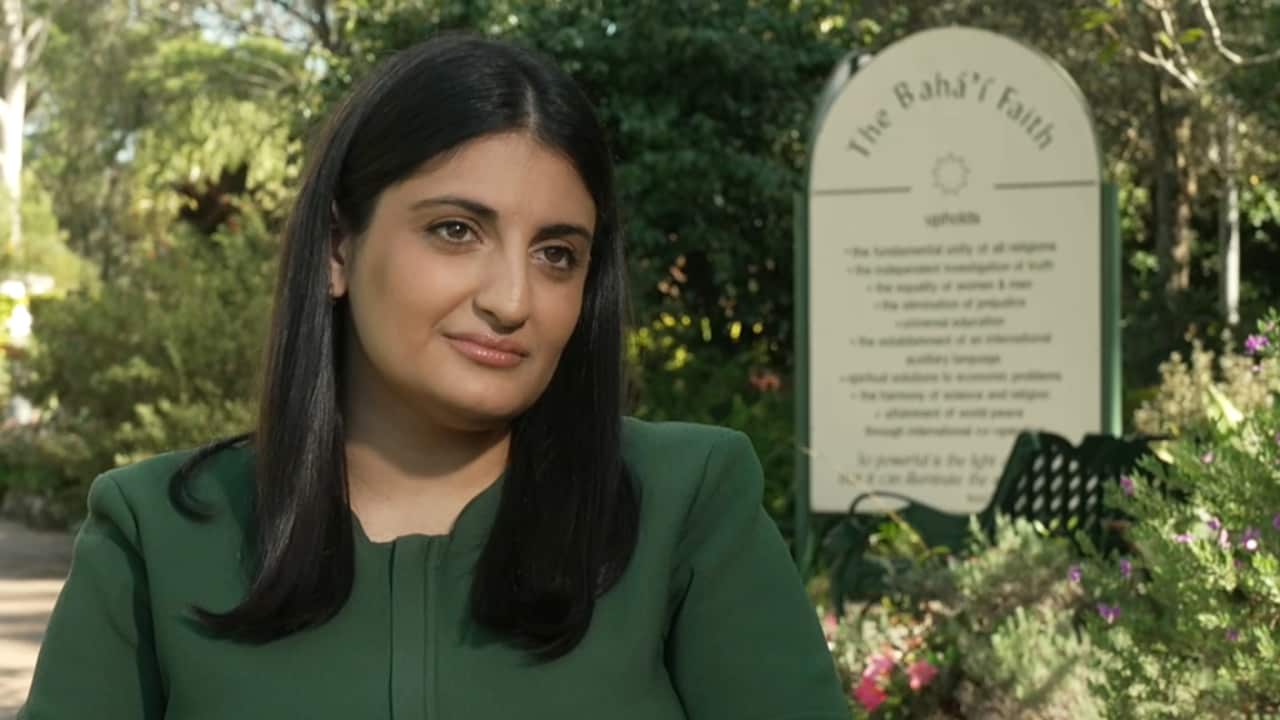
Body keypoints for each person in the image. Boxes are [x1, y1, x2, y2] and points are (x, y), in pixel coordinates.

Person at [20, 34, 847, 719]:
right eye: (456, 231)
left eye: (557, 254)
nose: (512, 299)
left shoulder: (686, 506)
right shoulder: (157, 535)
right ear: (339, 250)